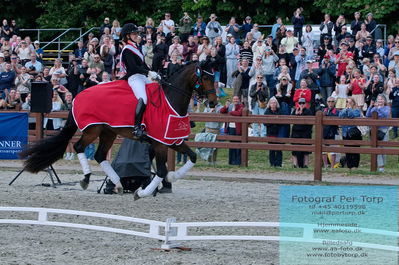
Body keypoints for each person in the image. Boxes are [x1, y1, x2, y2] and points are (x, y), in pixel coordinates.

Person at [120, 23, 160, 138]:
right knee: (144, 98)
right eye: (134, 33)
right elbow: (133, 68)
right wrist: (148, 73)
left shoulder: (136, 47)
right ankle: (136, 128)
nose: (136, 35)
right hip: (134, 78)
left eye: (137, 33)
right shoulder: (127, 50)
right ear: (127, 36)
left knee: (158, 87)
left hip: (142, 76)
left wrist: (154, 73)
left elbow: (143, 65)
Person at [366, 94, 390, 172]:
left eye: (381, 99)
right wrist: (370, 106)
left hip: (384, 130)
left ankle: (382, 166)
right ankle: (380, 166)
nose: (380, 101)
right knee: (377, 148)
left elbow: (385, 114)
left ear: (384, 101)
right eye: (379, 99)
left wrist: (379, 109)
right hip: (375, 130)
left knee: (383, 149)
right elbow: (367, 115)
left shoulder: (387, 108)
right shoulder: (374, 108)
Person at [339, 97, 362, 169]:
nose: (348, 104)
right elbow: (340, 116)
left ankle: (355, 166)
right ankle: (349, 166)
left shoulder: (357, 110)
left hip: (354, 133)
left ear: (353, 103)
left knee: (355, 150)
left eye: (350, 102)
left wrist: (349, 109)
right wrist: (345, 109)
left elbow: (352, 116)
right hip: (345, 133)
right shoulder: (344, 110)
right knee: (347, 150)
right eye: (347, 102)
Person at [220, 96, 244, 165]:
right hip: (230, 127)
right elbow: (221, 111)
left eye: (237, 99)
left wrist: (230, 112)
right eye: (234, 99)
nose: (235, 100)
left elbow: (239, 113)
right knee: (231, 144)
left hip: (238, 128)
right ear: (232, 100)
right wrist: (226, 106)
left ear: (239, 100)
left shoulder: (241, 106)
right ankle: (231, 161)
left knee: (238, 145)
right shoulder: (230, 106)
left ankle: (238, 161)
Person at [291, 97, 313, 168]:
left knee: (306, 150)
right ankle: (295, 164)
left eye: (303, 103)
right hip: (296, 132)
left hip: (305, 133)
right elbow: (291, 120)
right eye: (300, 103)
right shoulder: (295, 111)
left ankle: (306, 164)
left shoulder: (308, 111)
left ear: (305, 104)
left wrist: (301, 115)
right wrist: (297, 115)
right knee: (295, 149)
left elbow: (309, 123)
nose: (301, 104)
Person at [264, 97, 283, 167]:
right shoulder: (267, 111)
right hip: (270, 132)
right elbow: (265, 123)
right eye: (272, 103)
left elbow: (282, 122)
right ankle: (272, 163)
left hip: (279, 132)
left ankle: (278, 163)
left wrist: (273, 121)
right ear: (269, 104)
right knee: (271, 149)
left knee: (279, 149)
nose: (273, 104)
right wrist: (274, 120)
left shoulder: (280, 111)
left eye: (274, 102)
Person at [322, 97, 339, 168]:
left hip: (333, 131)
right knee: (323, 150)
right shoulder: (324, 110)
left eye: (332, 101)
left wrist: (327, 115)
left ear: (334, 103)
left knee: (333, 150)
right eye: (329, 101)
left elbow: (336, 119)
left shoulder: (336, 111)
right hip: (324, 132)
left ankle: (332, 167)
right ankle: (326, 165)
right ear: (327, 102)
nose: (330, 103)